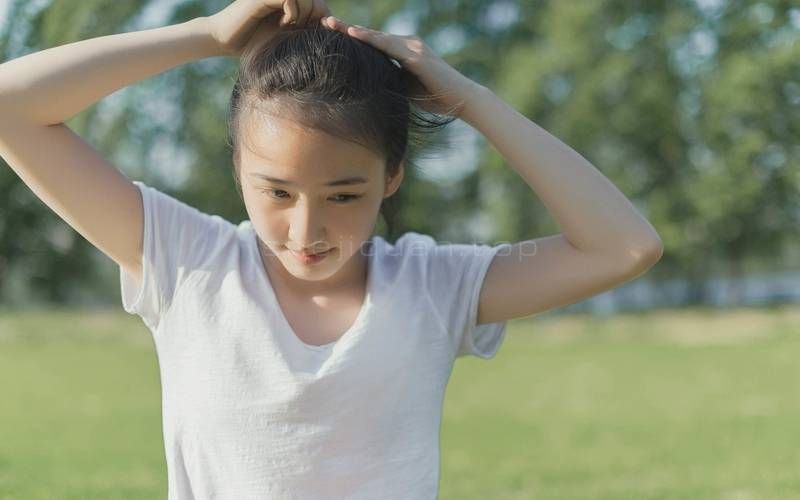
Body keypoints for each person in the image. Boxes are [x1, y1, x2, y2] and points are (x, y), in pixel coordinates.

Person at [0, 0, 664, 498]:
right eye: (277, 193)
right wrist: (206, 35)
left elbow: (624, 246)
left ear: (391, 177)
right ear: (238, 172)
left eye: (344, 196)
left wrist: (468, 99)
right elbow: (10, 107)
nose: (306, 229)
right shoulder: (186, 261)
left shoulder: (435, 287)